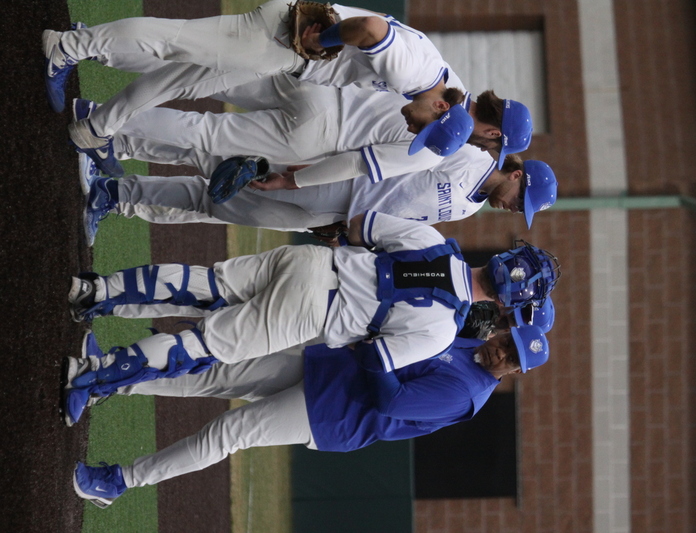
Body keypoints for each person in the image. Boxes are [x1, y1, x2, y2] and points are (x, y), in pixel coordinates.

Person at [61, 211, 561, 426]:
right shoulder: (443, 330)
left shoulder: (434, 241)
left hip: (310, 262)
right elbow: (377, 357)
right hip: (312, 314)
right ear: (506, 305)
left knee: (203, 283)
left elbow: (359, 225)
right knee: (201, 348)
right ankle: (91, 375)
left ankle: (95, 290)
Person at [68, 326, 549, 509]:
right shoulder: (470, 344)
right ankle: (111, 381)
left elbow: (391, 403)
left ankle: (118, 483)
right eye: (507, 340)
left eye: (510, 356)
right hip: (330, 365)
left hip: (335, 413)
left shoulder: (466, 393)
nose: (501, 349)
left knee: (227, 432)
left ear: (514, 373)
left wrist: (377, 355)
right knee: (215, 373)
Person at [42, 5, 530, 176]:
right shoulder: (418, 75)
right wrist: (327, 39)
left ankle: (96, 126)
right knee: (175, 43)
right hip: (286, 39)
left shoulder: (437, 87)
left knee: (182, 73)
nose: (413, 126)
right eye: (423, 125)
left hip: (288, 53)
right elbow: (373, 29)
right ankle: (69, 46)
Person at [80, 147, 557, 245]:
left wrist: (344, 232)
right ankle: (113, 139)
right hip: (333, 178)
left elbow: (402, 216)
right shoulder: (471, 156)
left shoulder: (473, 205)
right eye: (523, 199)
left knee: (219, 202)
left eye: (523, 211)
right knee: (221, 159)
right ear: (518, 174)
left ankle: (114, 195)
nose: (517, 209)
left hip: (331, 212)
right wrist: (315, 169)